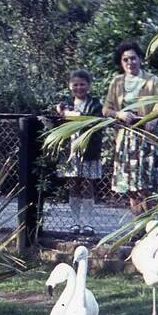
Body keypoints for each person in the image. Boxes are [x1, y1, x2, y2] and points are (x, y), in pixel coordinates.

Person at [103, 41, 158, 216]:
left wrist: (152, 119)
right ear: (121, 62)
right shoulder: (116, 82)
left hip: (146, 139)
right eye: (125, 59)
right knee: (131, 187)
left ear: (140, 59)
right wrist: (119, 114)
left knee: (146, 187)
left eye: (133, 58)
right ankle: (137, 227)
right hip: (125, 140)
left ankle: (152, 228)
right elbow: (106, 109)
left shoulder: (152, 81)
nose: (130, 62)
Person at [55, 68, 103, 236]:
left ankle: (88, 224)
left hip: (89, 151)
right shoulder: (65, 103)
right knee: (73, 185)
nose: (79, 88)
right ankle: (75, 223)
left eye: (82, 84)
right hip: (70, 151)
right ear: (70, 86)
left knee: (87, 185)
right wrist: (64, 113)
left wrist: (71, 115)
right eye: (75, 85)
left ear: (88, 86)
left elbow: (90, 120)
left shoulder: (95, 104)